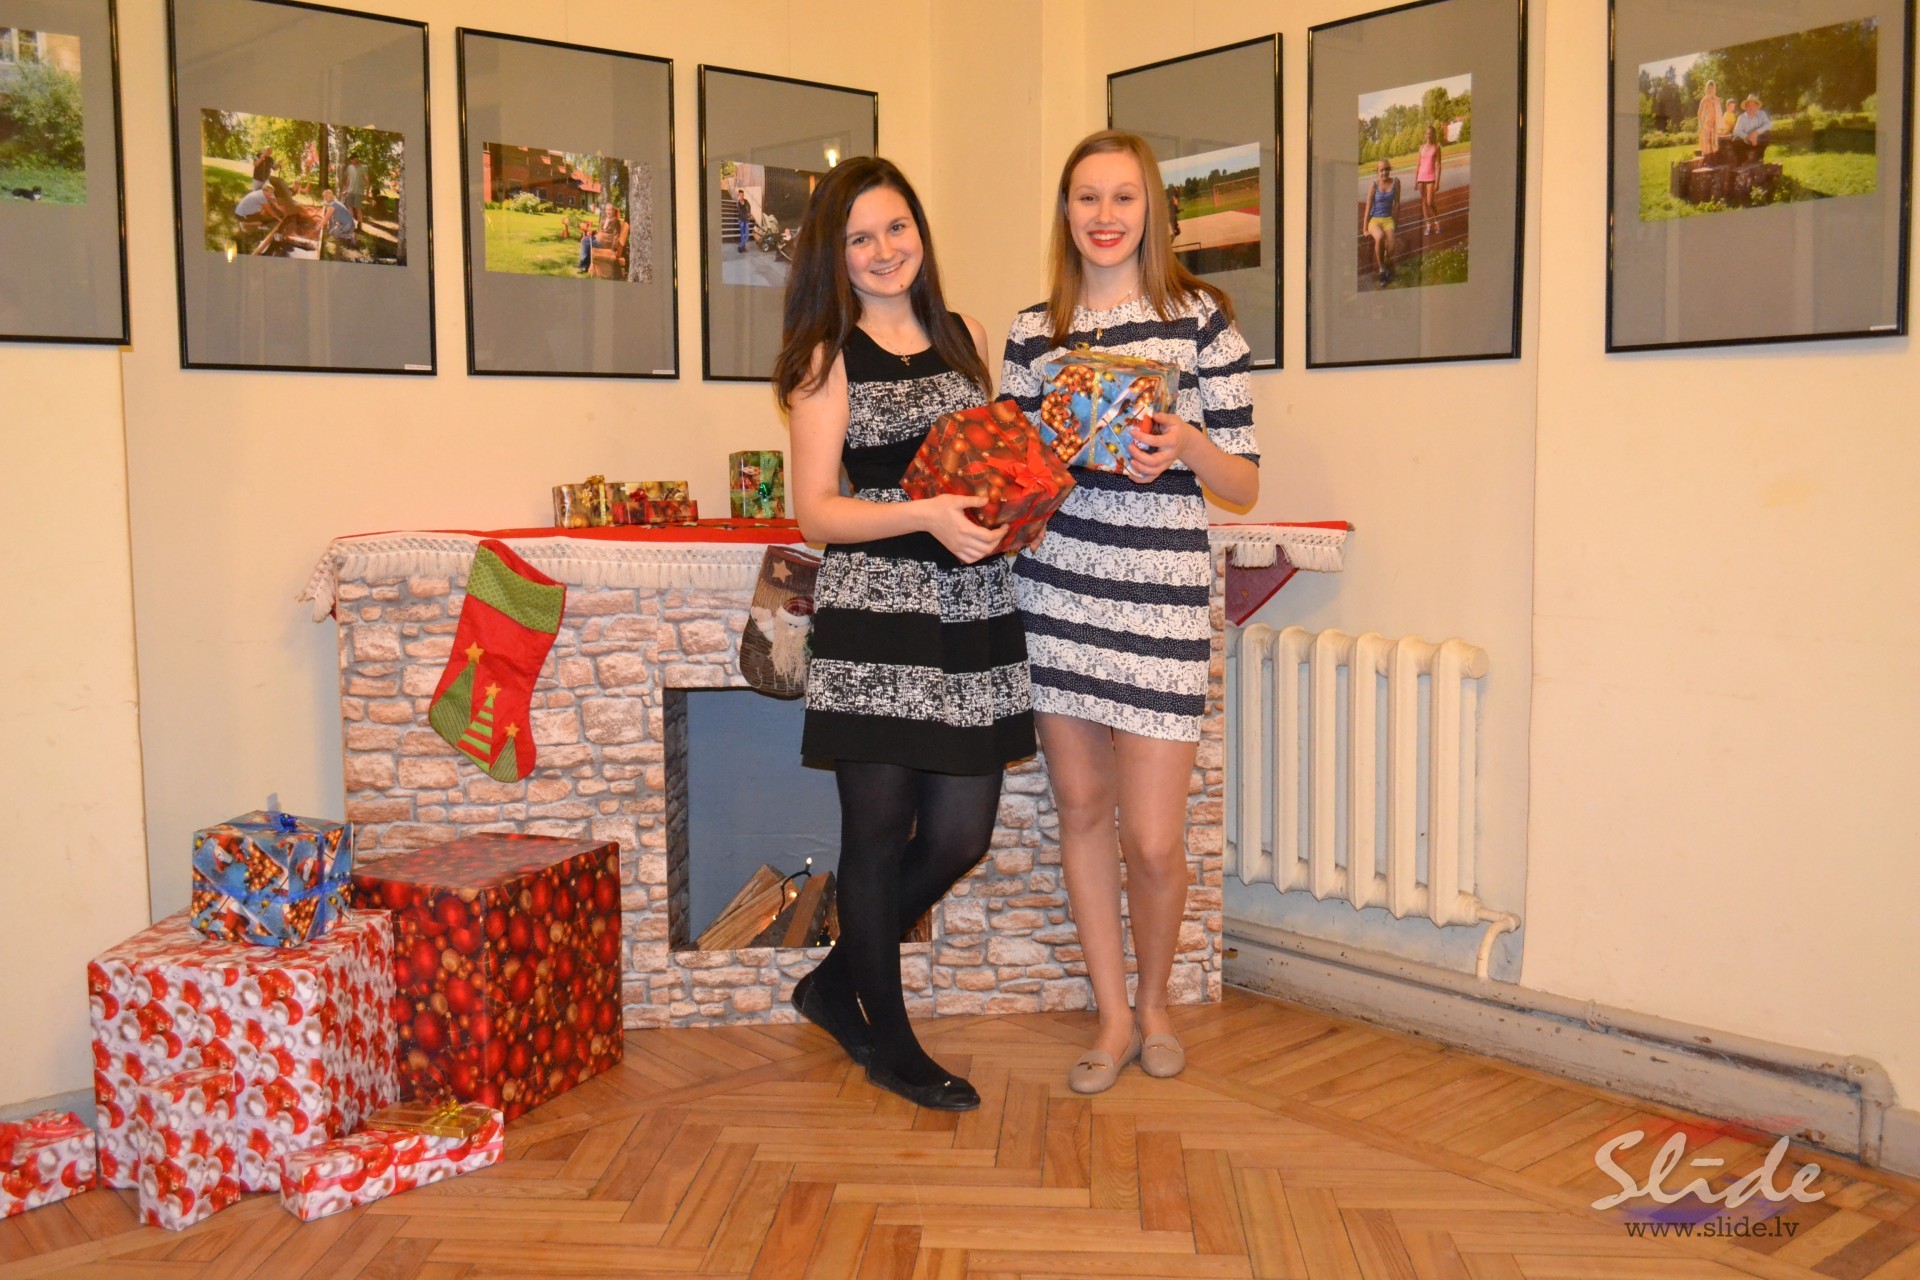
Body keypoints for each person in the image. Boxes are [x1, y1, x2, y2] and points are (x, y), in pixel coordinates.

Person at [775, 156, 1034, 1112]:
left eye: (897, 228)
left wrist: (1013, 506)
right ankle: (890, 1044)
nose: (885, 250)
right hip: (878, 618)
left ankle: (834, 985)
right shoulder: (824, 356)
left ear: (919, 231)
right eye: (860, 238)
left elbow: (985, 461)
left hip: (972, 609)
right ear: (833, 255)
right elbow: (817, 513)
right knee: (877, 838)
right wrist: (924, 514)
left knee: (961, 833)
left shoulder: (965, 336)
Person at [1001, 131, 1258, 1095]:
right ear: (1065, 212)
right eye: (1086, 198)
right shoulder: (1034, 331)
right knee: (1081, 810)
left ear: (1152, 207)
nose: (1104, 216)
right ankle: (1112, 1016)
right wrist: (1026, 460)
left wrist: (1186, 443)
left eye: (1122, 197)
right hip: (1057, 591)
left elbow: (1244, 482)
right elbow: (1010, 474)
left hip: (1158, 599)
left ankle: (1156, 1004)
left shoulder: (1203, 322)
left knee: (1152, 840)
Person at [1362, 158, 1400, 286]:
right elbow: (1368, 206)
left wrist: (1396, 222)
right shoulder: (1374, 185)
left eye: (1387, 169)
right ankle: (1382, 270)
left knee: (1392, 246)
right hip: (1375, 220)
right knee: (1380, 236)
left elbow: (1397, 203)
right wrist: (1364, 228)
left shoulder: (1396, 182)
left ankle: (1386, 264)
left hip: (1388, 219)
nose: (1384, 172)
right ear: (1377, 171)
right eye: (1382, 170)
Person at [1729, 95, 1773, 165]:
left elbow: (1768, 124)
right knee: (1735, 139)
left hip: (1758, 141)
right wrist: (1747, 137)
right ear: (1746, 107)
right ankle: (1742, 160)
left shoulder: (1762, 114)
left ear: (1757, 106)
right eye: (1749, 106)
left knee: (1767, 134)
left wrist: (1756, 133)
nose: (1751, 108)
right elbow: (1736, 131)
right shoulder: (1741, 117)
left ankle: (1759, 158)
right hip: (1746, 142)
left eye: (1753, 105)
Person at [1415, 124, 1444, 232]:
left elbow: (1438, 165)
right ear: (1425, 135)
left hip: (1431, 177)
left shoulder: (1437, 147)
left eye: (1431, 134)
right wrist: (1415, 180)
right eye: (1427, 133)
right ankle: (1428, 224)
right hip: (1421, 177)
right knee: (1423, 202)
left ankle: (1437, 222)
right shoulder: (1421, 147)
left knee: (1430, 202)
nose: (1428, 136)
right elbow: (1418, 164)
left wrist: (1437, 182)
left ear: (1434, 135)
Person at [1697, 79, 1723, 160]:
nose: (1710, 90)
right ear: (1706, 89)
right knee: (1706, 141)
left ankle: (1714, 158)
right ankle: (1707, 158)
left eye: (1712, 88)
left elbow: (1719, 112)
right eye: (1709, 88)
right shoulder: (1704, 100)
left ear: (1714, 89)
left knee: (1714, 141)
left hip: (1714, 123)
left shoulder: (1716, 99)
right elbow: (1699, 112)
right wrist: (1701, 123)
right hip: (1706, 123)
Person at [343, 157, 368, 229]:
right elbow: (348, 179)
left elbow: (367, 180)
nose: (352, 161)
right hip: (350, 191)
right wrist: (346, 189)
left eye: (353, 160)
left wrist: (367, 193)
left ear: (357, 159)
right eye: (351, 160)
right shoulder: (349, 167)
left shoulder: (363, 168)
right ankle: (350, 224)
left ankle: (359, 226)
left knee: (358, 209)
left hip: (359, 192)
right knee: (349, 207)